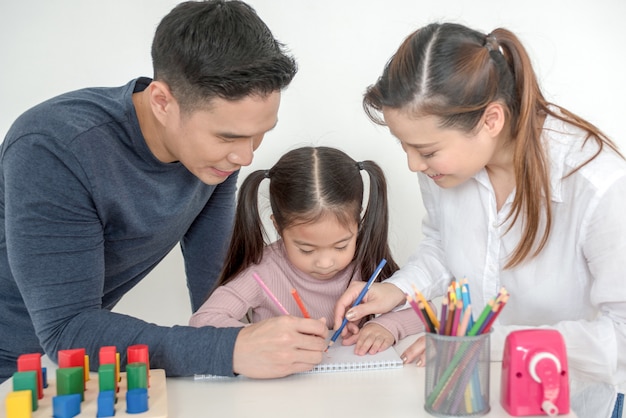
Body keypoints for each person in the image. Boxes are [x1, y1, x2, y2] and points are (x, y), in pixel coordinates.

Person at [0, 0, 330, 384]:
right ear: (162, 102)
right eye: (228, 136)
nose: (245, 155)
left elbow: (216, 290)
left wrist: (273, 334)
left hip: (78, 371)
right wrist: (231, 349)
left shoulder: (213, 162)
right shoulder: (53, 146)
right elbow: (68, 330)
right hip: (15, 370)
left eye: (260, 134)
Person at [332, 22, 626, 418]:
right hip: (477, 394)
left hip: (569, 402)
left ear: (491, 120)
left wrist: (490, 343)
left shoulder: (598, 186)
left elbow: (621, 338)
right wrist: (397, 290)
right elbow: (442, 243)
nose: (413, 164)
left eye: (426, 150)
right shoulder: (446, 169)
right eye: (404, 146)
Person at [189, 146, 424, 354]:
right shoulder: (263, 272)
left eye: (341, 245)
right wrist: (265, 334)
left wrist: (385, 326)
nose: (325, 262)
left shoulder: (367, 263)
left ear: (358, 223)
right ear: (278, 227)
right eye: (306, 249)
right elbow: (203, 321)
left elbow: (425, 310)